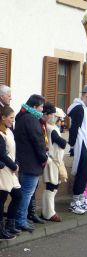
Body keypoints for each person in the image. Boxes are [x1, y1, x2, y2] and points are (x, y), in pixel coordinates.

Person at [15, 94, 48, 232]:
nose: (42, 110)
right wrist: (43, 158)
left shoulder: (22, 116)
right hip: (31, 162)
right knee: (27, 193)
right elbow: (38, 141)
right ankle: (20, 220)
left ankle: (21, 218)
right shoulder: (31, 119)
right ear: (35, 106)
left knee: (25, 192)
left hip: (24, 160)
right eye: (41, 107)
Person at [67, 85, 87, 214]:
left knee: (86, 172)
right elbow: (74, 128)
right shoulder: (78, 108)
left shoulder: (86, 108)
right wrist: (72, 145)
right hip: (82, 143)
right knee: (82, 172)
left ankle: (81, 200)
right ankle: (75, 202)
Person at [41, 107, 67, 222]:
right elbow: (62, 143)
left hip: (55, 161)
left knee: (53, 187)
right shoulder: (52, 129)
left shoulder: (52, 128)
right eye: (59, 118)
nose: (61, 121)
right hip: (52, 161)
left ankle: (47, 211)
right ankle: (49, 213)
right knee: (51, 187)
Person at [0, 106, 21, 240]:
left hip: (11, 170)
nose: (13, 120)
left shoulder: (9, 131)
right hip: (3, 171)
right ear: (3, 117)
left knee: (18, 195)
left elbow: (13, 150)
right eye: (11, 118)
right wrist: (13, 165)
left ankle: (10, 224)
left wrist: (16, 163)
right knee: (0, 201)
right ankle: (1, 230)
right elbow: (1, 155)